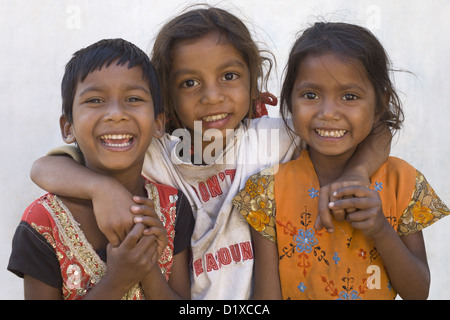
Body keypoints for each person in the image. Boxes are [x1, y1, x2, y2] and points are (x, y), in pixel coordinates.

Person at [29, 6, 391, 299]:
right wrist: (101, 188)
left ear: (253, 80)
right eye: (190, 83)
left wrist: (356, 174)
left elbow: (377, 129)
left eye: (229, 76)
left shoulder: (271, 137)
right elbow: (45, 167)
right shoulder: (156, 154)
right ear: (166, 100)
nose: (212, 96)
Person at [233, 22, 450, 300]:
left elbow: (419, 292)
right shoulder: (266, 192)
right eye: (310, 95)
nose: (329, 113)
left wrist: (380, 229)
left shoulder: (401, 182)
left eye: (349, 96)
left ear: (380, 104)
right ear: (289, 101)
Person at [8, 38, 194, 300]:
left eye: (133, 98)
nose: (116, 114)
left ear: (158, 123)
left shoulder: (171, 207)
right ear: (68, 127)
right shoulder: (42, 223)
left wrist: (148, 267)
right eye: (95, 100)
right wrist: (118, 280)